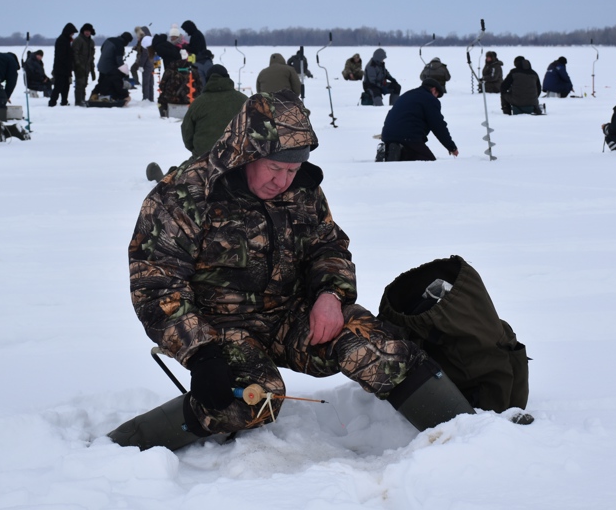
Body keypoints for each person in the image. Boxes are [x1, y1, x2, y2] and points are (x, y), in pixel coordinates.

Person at [110, 89, 474, 452]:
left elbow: (329, 247)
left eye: (292, 170)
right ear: (245, 153)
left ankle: (469, 433)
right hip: (217, 329)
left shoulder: (302, 190)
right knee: (256, 398)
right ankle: (121, 447)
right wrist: (201, 353)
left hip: (289, 316)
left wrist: (330, 295)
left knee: (378, 347)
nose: (283, 181)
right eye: (274, 168)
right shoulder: (182, 195)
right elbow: (155, 284)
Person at [379, 78, 458, 161]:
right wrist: (451, 147)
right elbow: (438, 125)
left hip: (387, 134)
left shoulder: (407, 94)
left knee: (409, 154)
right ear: (434, 90)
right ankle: (400, 151)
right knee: (428, 161)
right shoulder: (430, 99)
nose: (436, 98)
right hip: (408, 137)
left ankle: (390, 151)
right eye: (437, 95)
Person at [180, 64, 248, 159]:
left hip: (204, 159)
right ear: (228, 78)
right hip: (238, 158)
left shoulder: (198, 103)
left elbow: (187, 133)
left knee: (181, 171)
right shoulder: (244, 100)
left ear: (208, 80)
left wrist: (198, 151)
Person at [153, 29, 202, 116]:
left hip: (172, 100)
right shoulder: (193, 72)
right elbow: (200, 87)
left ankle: (164, 113)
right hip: (190, 101)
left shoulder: (170, 71)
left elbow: (162, 86)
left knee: (162, 98)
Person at [91, 32, 134, 104]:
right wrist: (124, 71)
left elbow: (102, 50)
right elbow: (119, 60)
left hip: (101, 65)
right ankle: (117, 96)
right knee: (115, 81)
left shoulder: (109, 39)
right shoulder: (120, 45)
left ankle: (94, 95)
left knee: (101, 82)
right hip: (109, 67)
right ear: (127, 40)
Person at [49, 22, 78, 107]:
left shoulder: (66, 40)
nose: (73, 35)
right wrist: (69, 64)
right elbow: (62, 55)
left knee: (66, 86)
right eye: (72, 33)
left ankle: (64, 101)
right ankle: (52, 102)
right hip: (61, 68)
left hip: (65, 68)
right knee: (58, 85)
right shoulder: (62, 40)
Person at [181, 20, 213, 84]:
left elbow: (195, 49)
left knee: (203, 83)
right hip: (202, 60)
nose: (186, 32)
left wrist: (186, 47)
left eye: (186, 30)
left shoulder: (195, 36)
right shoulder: (197, 34)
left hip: (200, 61)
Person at [72, 22, 96, 106]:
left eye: (89, 31)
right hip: (79, 66)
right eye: (86, 31)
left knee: (84, 84)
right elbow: (75, 53)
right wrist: (78, 64)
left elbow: (92, 56)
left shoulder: (91, 42)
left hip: (87, 67)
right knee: (79, 84)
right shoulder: (78, 40)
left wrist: (92, 69)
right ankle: (78, 101)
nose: (87, 32)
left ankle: (82, 99)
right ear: (83, 31)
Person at [133, 26, 155, 102]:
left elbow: (145, 54)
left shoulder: (145, 41)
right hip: (151, 63)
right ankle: (150, 98)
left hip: (147, 64)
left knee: (146, 82)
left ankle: (146, 99)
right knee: (150, 82)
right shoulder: (150, 40)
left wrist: (141, 65)